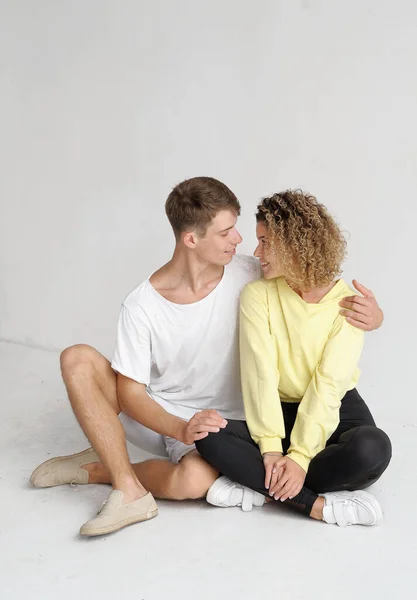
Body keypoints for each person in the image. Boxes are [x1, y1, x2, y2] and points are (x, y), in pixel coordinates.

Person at [30, 178, 385, 536]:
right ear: (192, 239)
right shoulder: (142, 305)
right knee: (77, 358)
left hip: (237, 420)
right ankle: (123, 482)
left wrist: (373, 317)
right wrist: (181, 428)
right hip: (175, 418)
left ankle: (104, 464)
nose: (242, 241)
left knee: (198, 478)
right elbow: (131, 394)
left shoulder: (253, 272)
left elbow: (313, 290)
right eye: (227, 232)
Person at [196, 189, 391, 527]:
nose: (257, 253)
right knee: (205, 432)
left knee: (373, 449)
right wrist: (272, 448)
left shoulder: (348, 304)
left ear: (293, 243)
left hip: (336, 409)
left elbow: (328, 386)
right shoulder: (258, 295)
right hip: (274, 413)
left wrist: (299, 457)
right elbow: (260, 374)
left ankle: (259, 482)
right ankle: (315, 505)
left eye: (265, 241)